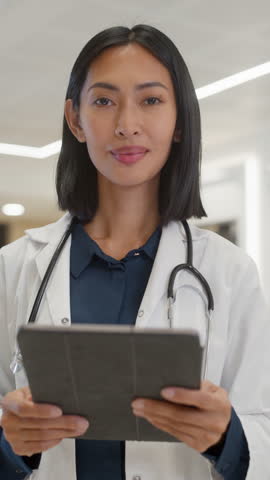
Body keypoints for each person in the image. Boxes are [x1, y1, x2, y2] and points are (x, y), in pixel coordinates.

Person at [0, 24, 269, 480]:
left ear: (180, 119)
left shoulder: (229, 272)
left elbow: (263, 426)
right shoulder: (14, 268)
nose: (127, 124)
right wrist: (12, 445)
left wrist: (227, 435)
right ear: (75, 119)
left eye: (151, 100)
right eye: (103, 101)